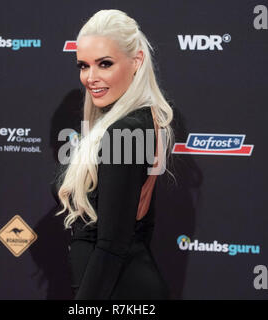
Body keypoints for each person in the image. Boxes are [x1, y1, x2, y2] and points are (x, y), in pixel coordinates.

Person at [53, 9, 175, 300]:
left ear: (137, 62)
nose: (90, 78)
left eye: (104, 64)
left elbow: (112, 244)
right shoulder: (143, 121)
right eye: (83, 66)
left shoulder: (125, 130)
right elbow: (139, 228)